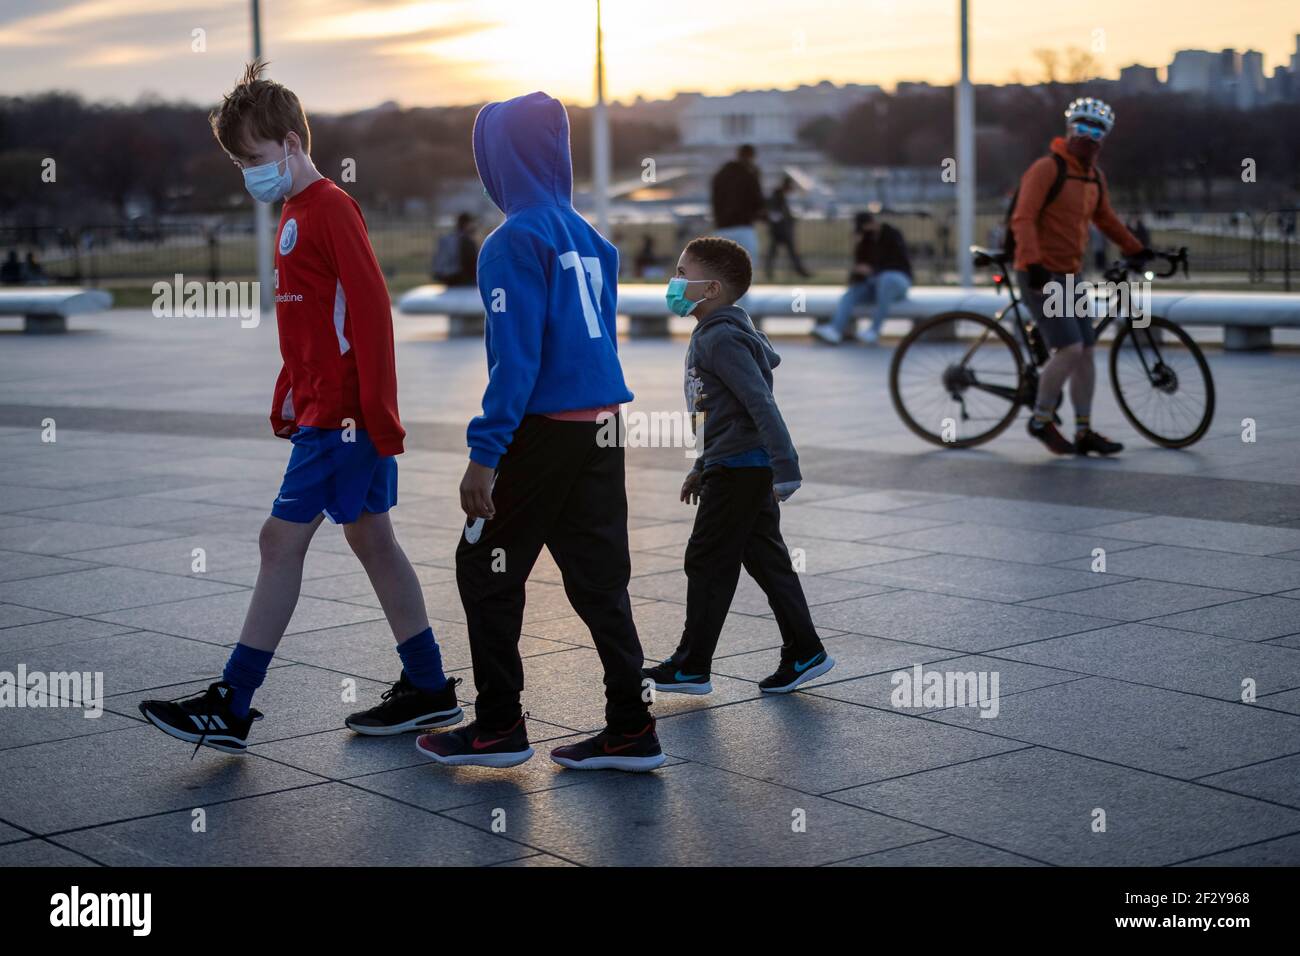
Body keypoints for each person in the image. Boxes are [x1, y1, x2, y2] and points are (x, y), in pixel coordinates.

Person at [140, 61, 457, 755]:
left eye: (252, 156)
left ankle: (233, 699)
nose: (246, 170)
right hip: (323, 409)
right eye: (235, 161)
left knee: (278, 542)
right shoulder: (293, 212)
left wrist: (375, 415)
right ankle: (430, 686)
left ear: (289, 142)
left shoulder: (331, 208)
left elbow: (371, 314)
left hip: (344, 419)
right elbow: (312, 324)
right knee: (372, 538)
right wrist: (290, 391)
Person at [417, 91, 665, 773]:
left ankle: (498, 725)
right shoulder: (594, 241)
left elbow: (518, 362)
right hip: (603, 428)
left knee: (485, 568)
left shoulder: (511, 242)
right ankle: (630, 726)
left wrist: (483, 455)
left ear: (498, 160)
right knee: (599, 581)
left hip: (544, 432)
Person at [642, 236, 834, 696]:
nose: (675, 282)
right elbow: (717, 413)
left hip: (742, 469)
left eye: (683, 274)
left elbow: (758, 402)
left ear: (711, 290)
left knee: (707, 560)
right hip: (732, 464)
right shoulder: (716, 332)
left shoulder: (723, 337)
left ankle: (692, 666)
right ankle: (805, 650)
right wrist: (701, 464)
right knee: (767, 560)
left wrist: (786, 467)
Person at [1010, 97, 1150, 456]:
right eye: (1083, 128)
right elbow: (1023, 218)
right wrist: (1033, 261)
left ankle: (1084, 430)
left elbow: (1106, 220)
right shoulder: (1047, 169)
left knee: (1086, 351)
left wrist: (1137, 249)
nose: (1088, 136)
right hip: (1041, 273)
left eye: (1096, 131)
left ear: (1104, 138)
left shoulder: (1093, 177)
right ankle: (1041, 420)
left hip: (1070, 275)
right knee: (1070, 348)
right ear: (1070, 129)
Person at [814, 212, 912, 345]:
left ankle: (874, 331)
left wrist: (874, 270)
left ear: (872, 223)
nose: (864, 233)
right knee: (851, 294)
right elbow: (859, 268)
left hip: (897, 281)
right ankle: (834, 330)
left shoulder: (892, 234)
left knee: (885, 280)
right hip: (875, 284)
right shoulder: (866, 240)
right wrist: (858, 254)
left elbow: (899, 262)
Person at [710, 143, 765, 264]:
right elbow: (758, 202)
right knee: (747, 272)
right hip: (743, 227)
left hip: (721, 229)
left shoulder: (720, 175)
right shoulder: (750, 175)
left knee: (722, 274)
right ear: (751, 156)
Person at [765, 175, 812, 280]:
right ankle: (799, 271)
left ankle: (770, 273)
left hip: (781, 230)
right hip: (780, 231)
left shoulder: (779, 195)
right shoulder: (777, 196)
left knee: (775, 253)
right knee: (778, 253)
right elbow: (775, 214)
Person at [431, 211, 478, 286]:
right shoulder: (466, 241)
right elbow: (471, 262)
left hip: (447, 278)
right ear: (467, 224)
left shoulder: (449, 238)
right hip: (463, 279)